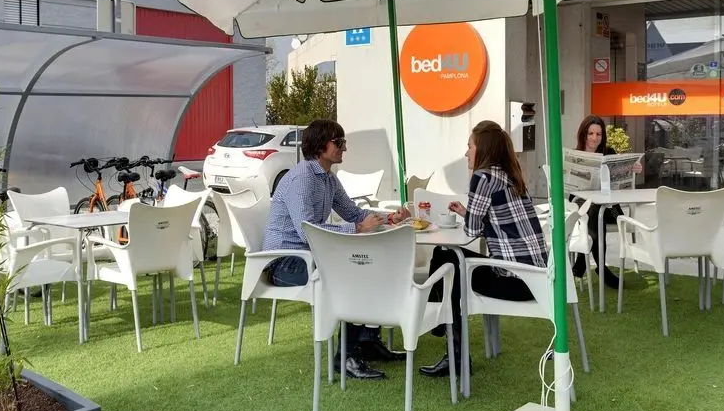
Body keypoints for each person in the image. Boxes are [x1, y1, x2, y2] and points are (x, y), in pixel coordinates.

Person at [262, 118, 411, 381]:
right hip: (285, 262)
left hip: (311, 256)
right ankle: (346, 357)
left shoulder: (327, 178)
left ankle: (366, 341)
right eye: (339, 142)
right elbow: (307, 231)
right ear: (321, 145)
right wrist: (357, 229)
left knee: (367, 265)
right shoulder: (302, 179)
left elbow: (353, 212)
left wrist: (389, 218)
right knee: (354, 273)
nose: (345, 148)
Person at [419, 120, 547, 379]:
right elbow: (496, 226)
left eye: (470, 146)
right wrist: (468, 213)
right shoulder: (508, 175)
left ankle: (444, 330)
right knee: (447, 257)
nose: (466, 153)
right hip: (536, 278)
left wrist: (469, 217)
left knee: (448, 262)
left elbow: (471, 231)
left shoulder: (483, 177)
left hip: (515, 280)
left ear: (483, 149)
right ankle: (443, 326)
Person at [569, 115, 641, 289]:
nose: (594, 138)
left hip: (611, 209)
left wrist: (633, 169)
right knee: (593, 213)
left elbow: (620, 177)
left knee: (596, 213)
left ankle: (581, 261)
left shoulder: (609, 153)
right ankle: (602, 269)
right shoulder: (575, 155)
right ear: (583, 134)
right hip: (583, 207)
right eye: (590, 133)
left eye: (598, 134)